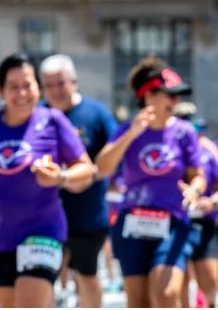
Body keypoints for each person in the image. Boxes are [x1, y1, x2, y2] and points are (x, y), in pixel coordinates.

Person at [0, 52, 94, 308]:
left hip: (42, 232)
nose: (22, 93)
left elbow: (87, 170)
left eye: (28, 85)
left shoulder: (53, 121)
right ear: (1, 91)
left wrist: (60, 177)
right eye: (13, 87)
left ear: (38, 88)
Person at [95, 56, 205, 307]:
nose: (176, 102)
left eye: (178, 96)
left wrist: (194, 190)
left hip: (173, 222)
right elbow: (101, 168)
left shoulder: (183, 131)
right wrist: (132, 133)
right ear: (149, 95)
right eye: (170, 95)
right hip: (133, 222)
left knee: (165, 295)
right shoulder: (127, 129)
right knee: (139, 302)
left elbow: (197, 176)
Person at [40, 54, 118, 308]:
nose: (55, 91)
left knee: (86, 275)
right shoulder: (37, 114)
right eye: (49, 85)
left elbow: (113, 156)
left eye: (60, 83)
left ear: (74, 82)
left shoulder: (96, 114)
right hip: (44, 215)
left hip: (86, 213)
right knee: (42, 279)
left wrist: (91, 175)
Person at [183, 114, 218, 308]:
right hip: (176, 221)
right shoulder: (171, 149)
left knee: (210, 279)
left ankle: (210, 304)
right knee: (178, 282)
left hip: (205, 221)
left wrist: (212, 202)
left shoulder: (209, 153)